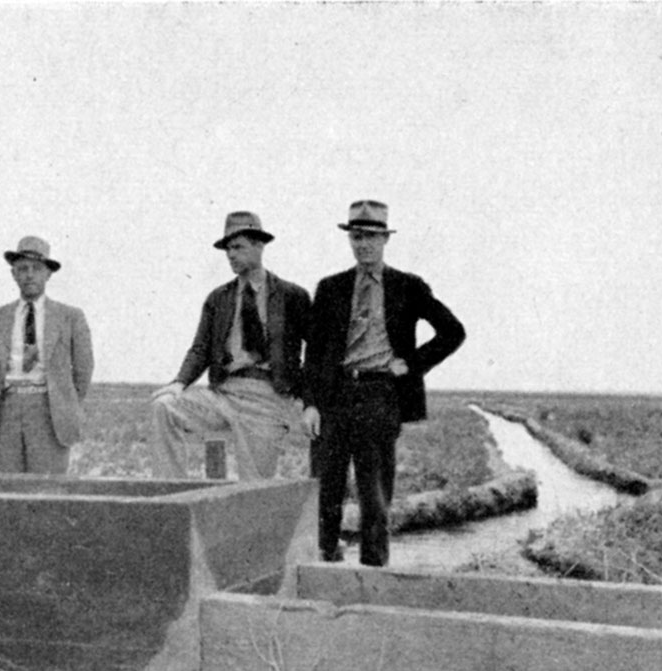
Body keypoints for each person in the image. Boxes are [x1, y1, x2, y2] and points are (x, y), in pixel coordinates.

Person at [302, 200, 465, 566]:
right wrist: (310, 403)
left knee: (374, 497)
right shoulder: (331, 288)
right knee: (325, 493)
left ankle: (374, 575)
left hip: (380, 397)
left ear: (385, 240)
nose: (364, 245)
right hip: (334, 398)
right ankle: (324, 565)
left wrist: (411, 364)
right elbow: (313, 354)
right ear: (350, 240)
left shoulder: (408, 286)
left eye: (372, 237)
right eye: (357, 237)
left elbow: (453, 331)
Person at [150, 211, 310, 480]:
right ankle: (170, 493)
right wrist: (179, 383)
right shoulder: (218, 299)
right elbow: (200, 348)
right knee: (164, 407)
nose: (231, 255)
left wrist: (310, 402)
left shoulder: (291, 296)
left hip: (267, 398)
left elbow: (316, 351)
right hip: (223, 393)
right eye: (227, 250)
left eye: (238, 247)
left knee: (255, 494)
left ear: (259, 245)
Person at [0, 236, 94, 474]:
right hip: (6, 409)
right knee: (5, 488)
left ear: (48, 274)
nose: (29, 275)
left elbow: (83, 370)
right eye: (22, 269)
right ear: (13, 274)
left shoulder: (70, 317)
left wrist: (62, 402)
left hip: (49, 410)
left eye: (36, 269)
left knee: (47, 489)